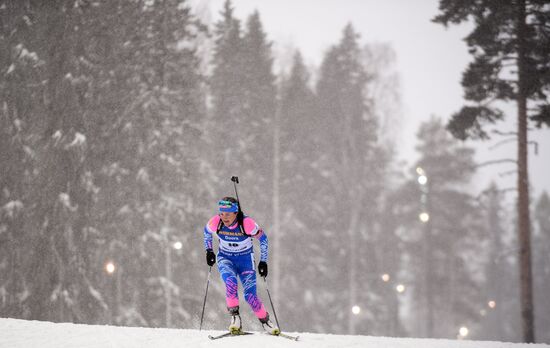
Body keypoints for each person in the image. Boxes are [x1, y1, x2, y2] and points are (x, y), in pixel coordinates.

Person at [203, 197, 279, 335]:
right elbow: (206, 232)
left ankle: (266, 321)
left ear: (235, 212)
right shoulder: (216, 222)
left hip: (245, 261)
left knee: (250, 296)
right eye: (221, 213)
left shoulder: (247, 223)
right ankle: (235, 319)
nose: (223, 217)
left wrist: (263, 261)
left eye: (227, 214)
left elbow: (263, 239)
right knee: (231, 283)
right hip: (225, 259)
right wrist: (209, 251)